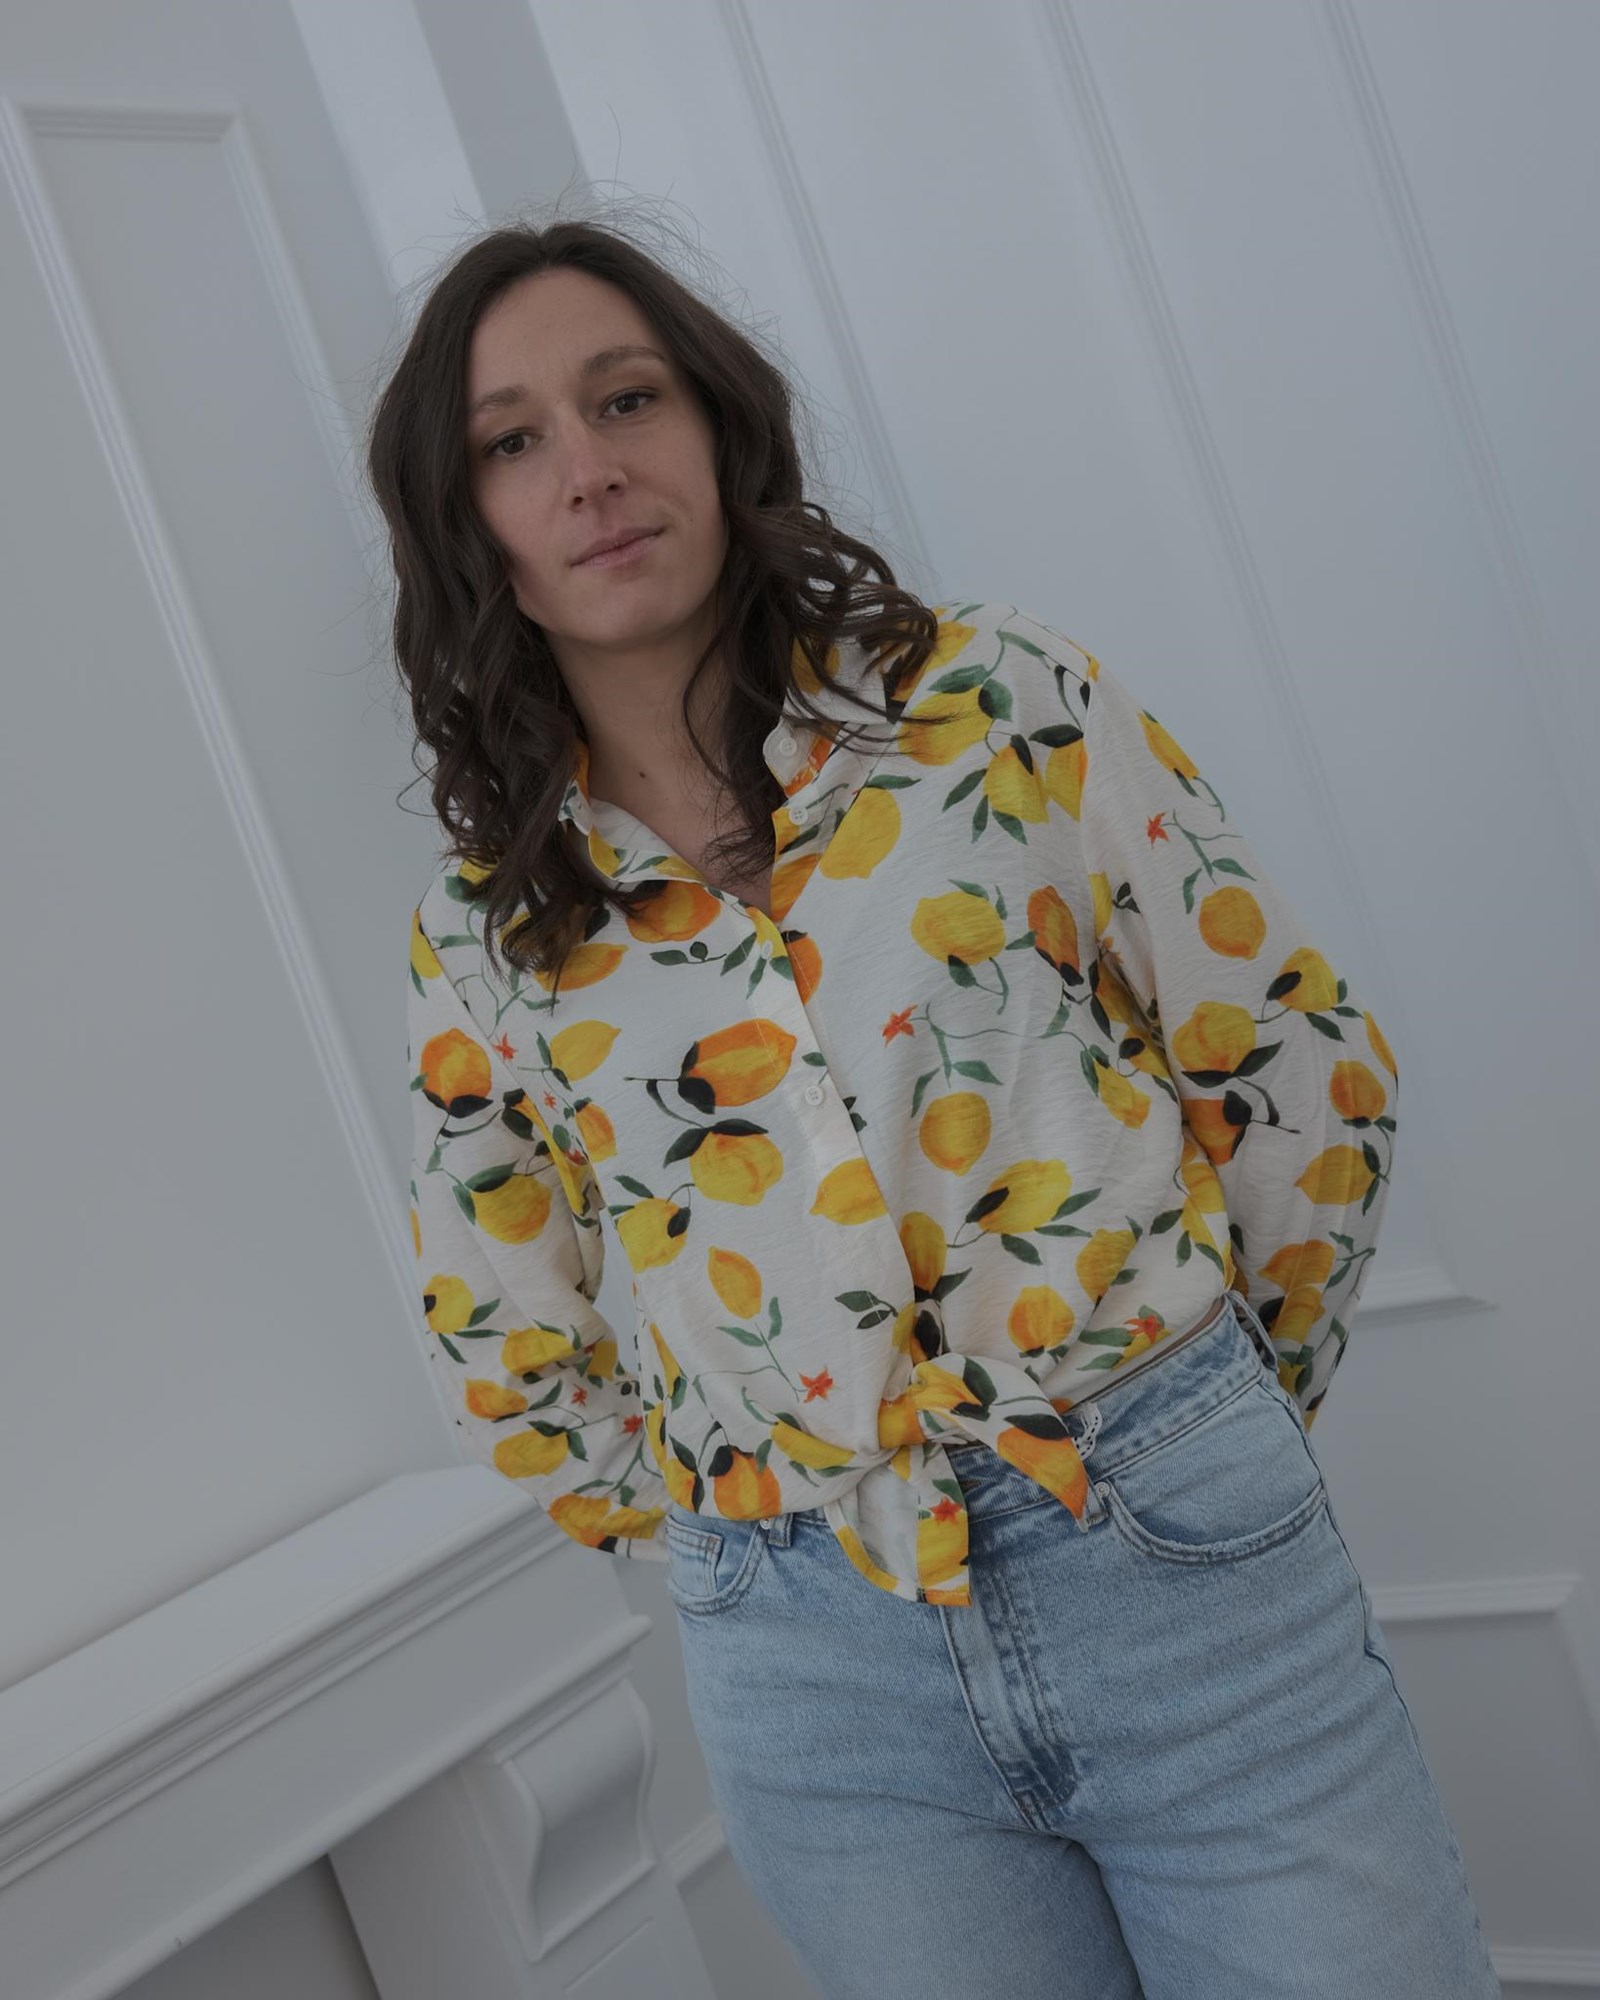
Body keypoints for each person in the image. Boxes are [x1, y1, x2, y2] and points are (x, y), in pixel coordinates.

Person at [367, 207, 1500, 1999]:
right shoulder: (489, 927)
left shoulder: (994, 704)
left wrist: (1190, 1419)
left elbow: (1294, 1069)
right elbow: (502, 1333)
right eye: (514, 441)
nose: (588, 470)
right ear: (466, 523)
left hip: (1181, 1568)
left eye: (627, 398)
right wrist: (743, 1537)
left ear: (718, 426)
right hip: (820, 1688)